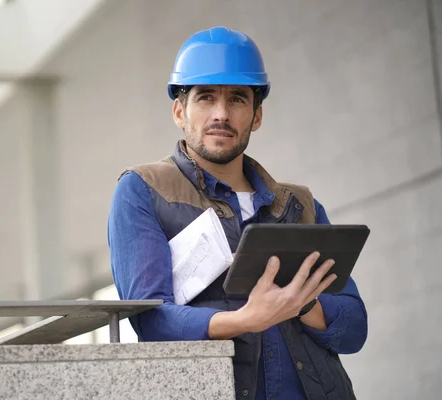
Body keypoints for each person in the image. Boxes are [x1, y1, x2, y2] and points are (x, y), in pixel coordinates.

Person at [107, 26, 367, 400]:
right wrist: (246, 320)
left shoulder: (299, 205)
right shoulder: (144, 190)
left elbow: (354, 328)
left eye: (238, 100)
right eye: (206, 97)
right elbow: (150, 319)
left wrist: (301, 303)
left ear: (256, 116)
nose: (221, 114)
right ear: (179, 111)